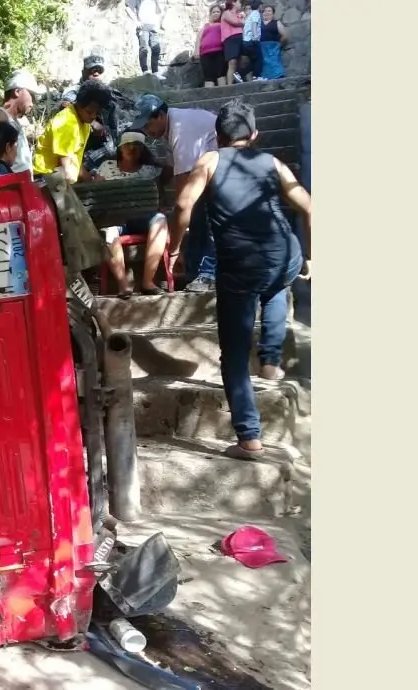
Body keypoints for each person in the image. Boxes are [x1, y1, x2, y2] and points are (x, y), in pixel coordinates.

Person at [170, 99, 311, 460]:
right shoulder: (273, 163)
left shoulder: (210, 161)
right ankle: (271, 363)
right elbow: (310, 207)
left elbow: (184, 205)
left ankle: (249, 437)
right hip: (285, 254)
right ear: (255, 135)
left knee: (233, 353)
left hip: (241, 266)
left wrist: (175, 249)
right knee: (278, 284)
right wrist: (310, 256)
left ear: (216, 136)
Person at [130, 93, 218, 292]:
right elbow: (171, 168)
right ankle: (194, 272)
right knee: (194, 217)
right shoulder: (170, 129)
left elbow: (183, 194)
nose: (146, 131)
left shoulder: (180, 130)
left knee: (201, 214)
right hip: (209, 170)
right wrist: (159, 188)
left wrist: (175, 248)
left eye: (147, 125)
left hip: (223, 171)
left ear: (160, 115)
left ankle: (208, 273)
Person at [95, 131, 173, 296]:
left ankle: (147, 282)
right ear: (120, 148)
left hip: (142, 217)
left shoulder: (150, 171)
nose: (132, 148)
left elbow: (159, 193)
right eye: (128, 144)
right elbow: (96, 194)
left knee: (160, 220)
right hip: (114, 218)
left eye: (137, 145)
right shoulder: (106, 167)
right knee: (108, 232)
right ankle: (123, 285)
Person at [33, 80, 113, 184]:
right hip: (46, 179)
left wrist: (89, 178)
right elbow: (66, 169)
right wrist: (90, 185)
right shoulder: (66, 123)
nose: (93, 116)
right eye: (89, 112)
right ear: (79, 104)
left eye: (97, 113)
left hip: (60, 177)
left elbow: (75, 161)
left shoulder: (84, 122)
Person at [0, 69, 47, 179]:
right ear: (17, 92)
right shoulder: (0, 116)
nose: (33, 102)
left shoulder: (15, 121)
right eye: (32, 95)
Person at [126, 0, 166, 76]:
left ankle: (155, 72)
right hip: (143, 26)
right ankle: (145, 71)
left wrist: (157, 3)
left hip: (153, 26)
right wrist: (136, 21)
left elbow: (159, 12)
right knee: (144, 48)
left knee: (156, 48)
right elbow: (128, 8)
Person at [196, 6, 227, 87]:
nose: (216, 13)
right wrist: (196, 51)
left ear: (221, 14)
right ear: (210, 14)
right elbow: (199, 38)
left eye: (218, 12)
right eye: (213, 12)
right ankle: (210, 96)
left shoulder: (223, 24)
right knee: (208, 76)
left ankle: (223, 94)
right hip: (205, 53)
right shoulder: (206, 26)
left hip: (219, 51)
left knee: (221, 73)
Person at [259, 5, 289, 80]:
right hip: (261, 47)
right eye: (265, 11)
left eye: (269, 11)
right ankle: (265, 80)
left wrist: (279, 45)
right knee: (263, 63)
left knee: (274, 62)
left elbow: (284, 35)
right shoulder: (259, 23)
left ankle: (278, 79)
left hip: (273, 46)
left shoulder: (276, 22)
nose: (267, 12)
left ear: (273, 14)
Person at [221, 1, 246, 84]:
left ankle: (244, 80)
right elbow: (235, 22)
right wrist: (242, 21)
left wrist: (242, 20)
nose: (240, 4)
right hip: (230, 39)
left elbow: (243, 24)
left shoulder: (239, 14)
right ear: (233, 3)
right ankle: (230, 85)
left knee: (241, 61)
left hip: (239, 37)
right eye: (239, 2)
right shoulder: (226, 13)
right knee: (232, 62)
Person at [240, 1, 264, 82]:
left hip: (246, 41)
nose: (262, 8)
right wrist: (255, 37)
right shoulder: (256, 13)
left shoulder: (250, 15)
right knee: (259, 59)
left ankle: (241, 73)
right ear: (259, 6)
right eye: (261, 6)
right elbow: (254, 25)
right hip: (252, 40)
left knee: (254, 60)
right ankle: (256, 76)